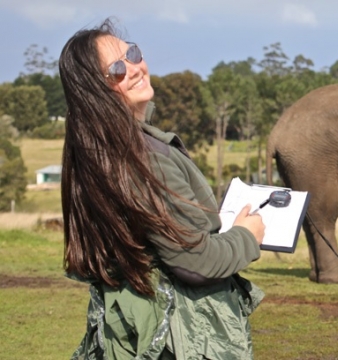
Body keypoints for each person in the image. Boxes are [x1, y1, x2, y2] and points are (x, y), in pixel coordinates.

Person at [60, 19, 265, 359]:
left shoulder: (96, 150)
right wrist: (247, 235)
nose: (134, 68)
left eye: (132, 54)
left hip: (132, 327)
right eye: (115, 69)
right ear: (96, 90)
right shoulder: (141, 159)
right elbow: (195, 261)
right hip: (175, 335)